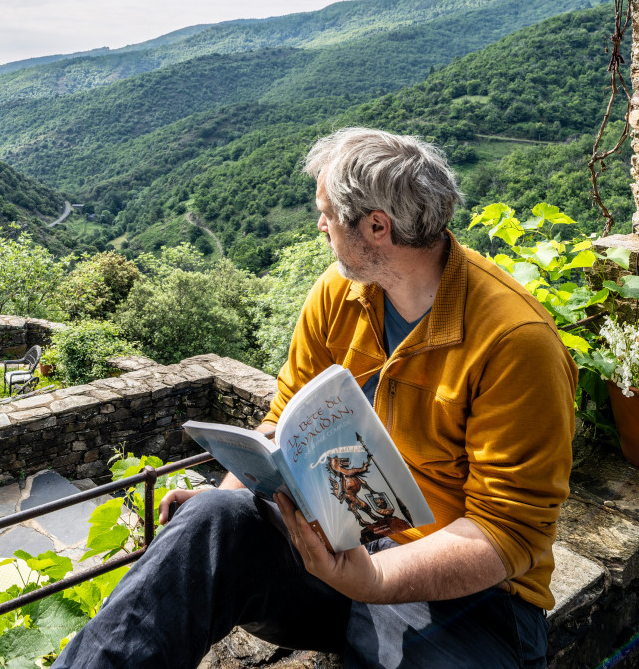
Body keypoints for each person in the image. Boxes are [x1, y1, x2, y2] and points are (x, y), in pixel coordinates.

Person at [53, 128, 577, 669]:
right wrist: (231, 496)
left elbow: (507, 534)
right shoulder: (339, 293)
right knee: (210, 520)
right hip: (343, 540)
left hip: (471, 598)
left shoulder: (514, 342)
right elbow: (281, 422)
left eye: (326, 212)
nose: (320, 224)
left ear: (377, 226)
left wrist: (371, 579)